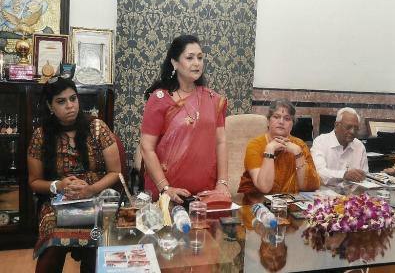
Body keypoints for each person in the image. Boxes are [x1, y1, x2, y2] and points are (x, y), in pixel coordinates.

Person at [27, 77, 121, 273]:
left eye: (73, 99)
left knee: (98, 239)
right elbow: (34, 182)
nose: (70, 106)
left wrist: (91, 189)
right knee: (53, 238)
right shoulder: (41, 135)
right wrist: (58, 186)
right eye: (61, 101)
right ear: (50, 106)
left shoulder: (97, 128)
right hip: (57, 203)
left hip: (97, 199)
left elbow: (115, 172)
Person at [140, 34, 229, 203]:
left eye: (200, 57)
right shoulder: (160, 99)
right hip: (167, 195)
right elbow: (146, 147)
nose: (197, 63)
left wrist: (222, 182)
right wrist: (165, 188)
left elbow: (221, 142)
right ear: (174, 62)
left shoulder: (212, 100)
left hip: (205, 194)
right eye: (190, 58)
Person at [237, 99, 320, 194]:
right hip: (257, 203)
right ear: (268, 121)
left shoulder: (299, 145)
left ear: (292, 124)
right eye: (276, 117)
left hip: (291, 203)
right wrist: (269, 150)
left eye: (287, 118)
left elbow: (309, 186)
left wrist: (298, 153)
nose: (281, 122)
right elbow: (264, 188)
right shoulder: (255, 145)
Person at [311, 107, 368, 184]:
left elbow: (365, 175)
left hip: (352, 193)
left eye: (356, 128)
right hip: (325, 192)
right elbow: (318, 172)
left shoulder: (359, 146)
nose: (352, 131)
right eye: (348, 127)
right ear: (336, 125)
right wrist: (344, 174)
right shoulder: (321, 141)